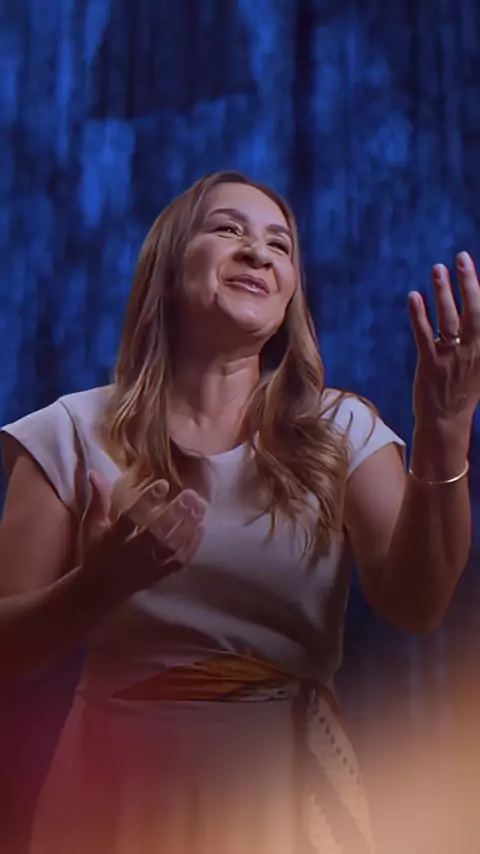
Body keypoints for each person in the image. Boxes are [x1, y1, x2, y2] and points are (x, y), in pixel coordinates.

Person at [0, 170, 478, 854]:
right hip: (112, 796)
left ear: (290, 294)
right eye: (228, 229)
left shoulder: (342, 430)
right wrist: (94, 588)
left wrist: (444, 433)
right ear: (167, 268)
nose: (259, 252)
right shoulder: (69, 431)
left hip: (284, 792)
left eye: (280, 245)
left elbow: (418, 604)